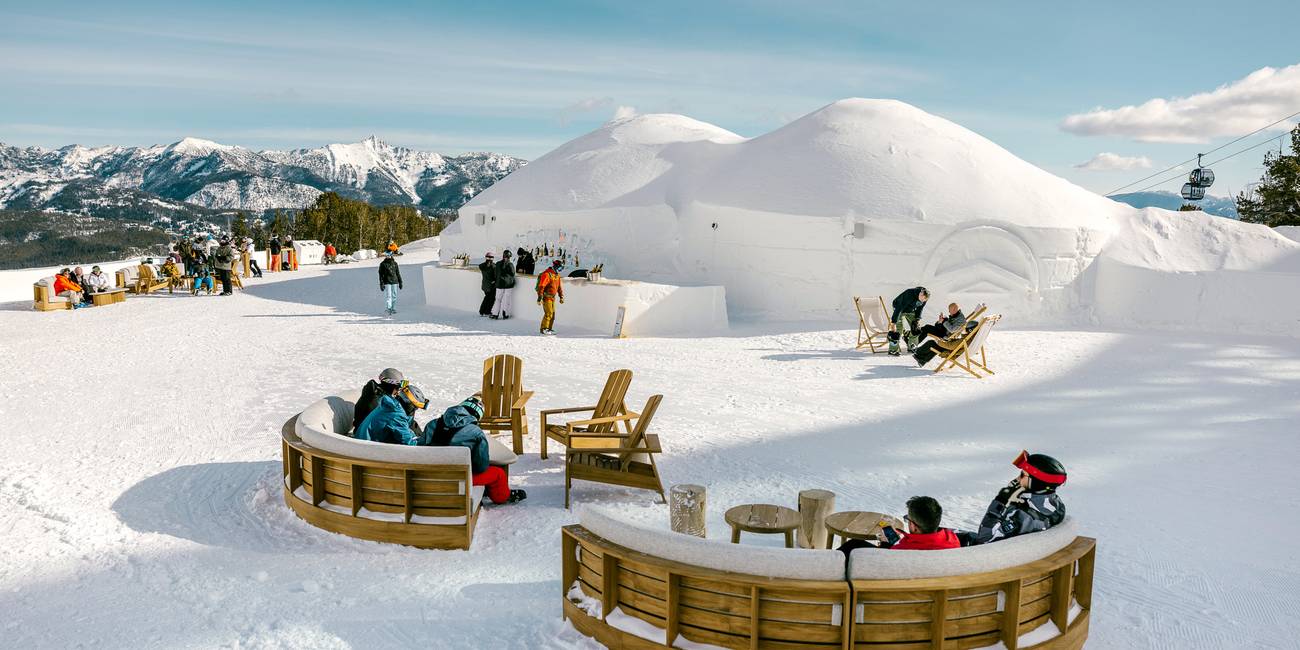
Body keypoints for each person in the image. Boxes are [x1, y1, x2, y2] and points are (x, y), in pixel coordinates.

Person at [424, 396, 526, 505]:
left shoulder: (432, 424)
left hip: (430, 475)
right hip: (459, 480)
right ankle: (502, 497)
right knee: (498, 474)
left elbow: (420, 450)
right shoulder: (475, 432)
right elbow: (481, 466)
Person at [965, 451, 1067, 546]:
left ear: (1036, 483)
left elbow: (985, 538)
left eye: (1022, 475)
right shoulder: (1057, 507)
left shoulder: (1022, 517)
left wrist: (1000, 501)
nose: (1017, 479)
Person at [838, 496, 961, 554]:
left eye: (908, 519)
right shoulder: (953, 540)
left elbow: (879, 561)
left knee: (852, 546)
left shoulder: (901, 553)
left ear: (914, 527)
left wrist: (886, 545)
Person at [355, 375, 428, 445]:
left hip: (366, 442)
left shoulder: (390, 405)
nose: (414, 410)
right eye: (414, 407)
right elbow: (409, 443)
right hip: (366, 448)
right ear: (407, 403)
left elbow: (405, 429)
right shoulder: (395, 413)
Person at [887, 286, 929, 356]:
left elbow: (919, 308)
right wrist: (894, 322)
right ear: (920, 294)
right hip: (899, 308)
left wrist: (917, 319)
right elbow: (899, 308)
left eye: (924, 300)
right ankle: (893, 350)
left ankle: (912, 346)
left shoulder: (925, 298)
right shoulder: (909, 294)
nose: (923, 301)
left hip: (910, 310)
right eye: (922, 299)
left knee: (915, 328)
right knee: (898, 329)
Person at [536, 259, 565, 335]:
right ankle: (543, 329)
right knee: (548, 313)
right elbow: (541, 286)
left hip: (553, 297)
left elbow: (559, 287)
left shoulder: (557, 275)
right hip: (546, 297)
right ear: (555, 266)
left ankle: (549, 328)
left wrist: (561, 296)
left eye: (561, 269)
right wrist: (539, 297)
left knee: (553, 314)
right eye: (559, 268)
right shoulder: (547, 274)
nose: (560, 270)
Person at [491, 249, 516, 319]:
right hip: (508, 285)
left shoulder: (498, 263)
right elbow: (513, 273)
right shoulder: (510, 264)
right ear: (509, 257)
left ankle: (495, 314)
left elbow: (495, 273)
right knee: (506, 299)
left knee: (498, 299)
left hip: (499, 284)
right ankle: (505, 314)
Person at [379, 250, 402, 315]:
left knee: (394, 296)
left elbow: (398, 273)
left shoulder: (395, 263)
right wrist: (381, 283)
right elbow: (380, 275)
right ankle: (388, 309)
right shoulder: (383, 264)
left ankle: (393, 308)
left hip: (395, 281)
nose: (388, 256)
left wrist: (400, 282)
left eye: (389, 255)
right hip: (387, 281)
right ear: (385, 256)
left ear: (391, 255)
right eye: (387, 255)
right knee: (389, 296)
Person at [478, 252, 497, 316]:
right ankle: (487, 312)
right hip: (491, 285)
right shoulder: (493, 266)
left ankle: (482, 311)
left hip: (484, 285)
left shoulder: (482, 266)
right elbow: (496, 276)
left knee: (486, 298)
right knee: (491, 299)